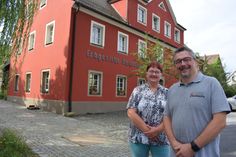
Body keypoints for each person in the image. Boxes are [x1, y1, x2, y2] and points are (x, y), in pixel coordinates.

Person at [163, 46, 231, 157]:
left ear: (195, 61)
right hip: (176, 153)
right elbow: (166, 117)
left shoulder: (211, 84)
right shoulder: (172, 89)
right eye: (178, 61)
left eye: (187, 59)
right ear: (175, 65)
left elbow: (220, 121)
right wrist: (174, 143)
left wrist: (193, 147)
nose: (183, 63)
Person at [127, 61, 170, 157]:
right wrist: (149, 131)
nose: (154, 74)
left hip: (161, 137)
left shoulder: (167, 92)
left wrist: (157, 130)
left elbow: (171, 115)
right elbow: (131, 112)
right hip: (139, 136)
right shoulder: (138, 90)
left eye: (157, 72)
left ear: (161, 74)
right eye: (151, 71)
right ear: (146, 74)